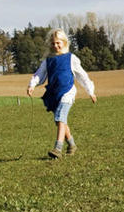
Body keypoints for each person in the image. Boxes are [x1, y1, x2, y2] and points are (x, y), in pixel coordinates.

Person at [26, 28, 97, 159]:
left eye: (58, 43)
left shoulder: (71, 58)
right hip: (54, 93)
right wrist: (32, 85)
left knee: (60, 118)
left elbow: (82, 76)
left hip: (67, 92)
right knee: (61, 120)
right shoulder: (48, 60)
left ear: (64, 42)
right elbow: (39, 74)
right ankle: (72, 144)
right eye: (53, 43)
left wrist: (90, 91)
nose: (55, 46)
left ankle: (57, 148)